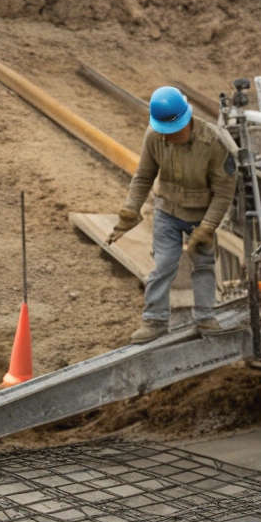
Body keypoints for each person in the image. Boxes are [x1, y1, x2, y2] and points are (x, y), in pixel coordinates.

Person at [107, 87, 238, 342]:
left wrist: (207, 227)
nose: (168, 136)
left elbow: (224, 193)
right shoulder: (154, 135)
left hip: (202, 214)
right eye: (164, 131)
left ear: (186, 119)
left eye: (174, 131)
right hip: (167, 210)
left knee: (203, 264)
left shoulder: (214, 142)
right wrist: (130, 210)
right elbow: (143, 176)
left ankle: (205, 317)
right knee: (164, 263)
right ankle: (154, 320)